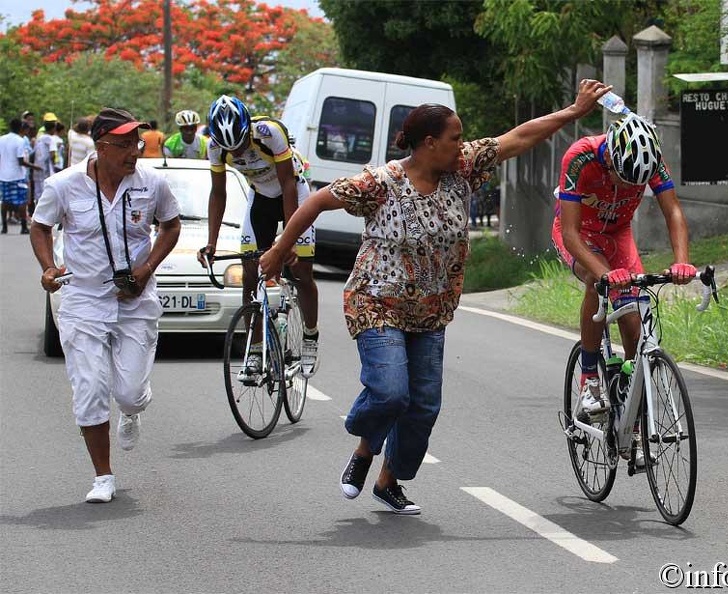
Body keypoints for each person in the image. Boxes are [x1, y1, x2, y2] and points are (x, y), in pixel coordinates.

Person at [258, 80, 610, 514]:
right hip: (377, 303)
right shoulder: (381, 182)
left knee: (422, 407)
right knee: (390, 393)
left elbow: (519, 136)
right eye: (454, 138)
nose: (462, 145)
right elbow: (314, 204)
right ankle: (365, 448)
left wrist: (574, 112)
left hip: (431, 311)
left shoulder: (461, 168)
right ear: (429, 144)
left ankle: (388, 482)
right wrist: (279, 249)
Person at [29, 107, 181, 503]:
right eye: (126, 144)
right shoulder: (63, 185)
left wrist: (146, 270)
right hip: (83, 299)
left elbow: (171, 224)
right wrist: (48, 268)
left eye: (137, 143)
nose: (135, 151)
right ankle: (103, 476)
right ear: (101, 146)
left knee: (129, 393)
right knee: (90, 388)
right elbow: (40, 226)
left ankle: (131, 411)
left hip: (136, 300)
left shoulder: (153, 183)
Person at [551, 112, 695, 449]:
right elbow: (570, 233)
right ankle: (589, 379)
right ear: (611, 158)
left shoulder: (652, 160)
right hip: (579, 235)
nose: (629, 188)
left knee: (634, 323)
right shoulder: (580, 157)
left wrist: (682, 262)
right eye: (623, 179)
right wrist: (603, 273)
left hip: (618, 236)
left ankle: (631, 408)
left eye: (637, 184)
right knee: (595, 283)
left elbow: (673, 211)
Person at [197, 95, 320, 378]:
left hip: (294, 193)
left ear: (247, 130)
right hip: (261, 197)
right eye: (231, 149)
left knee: (300, 270)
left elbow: (288, 184)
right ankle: (254, 350)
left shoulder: (269, 132)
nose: (237, 152)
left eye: (240, 144)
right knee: (250, 273)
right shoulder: (215, 147)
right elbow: (218, 193)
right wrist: (211, 242)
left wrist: (285, 243)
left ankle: (310, 336)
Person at [0, 118, 40, 234]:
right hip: (17, 175)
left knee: (5, 201)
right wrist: (35, 167)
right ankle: (23, 227)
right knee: (22, 201)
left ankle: (4, 227)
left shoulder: (1, 139)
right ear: (21, 128)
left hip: (3, 175)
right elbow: (21, 161)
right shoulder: (20, 141)